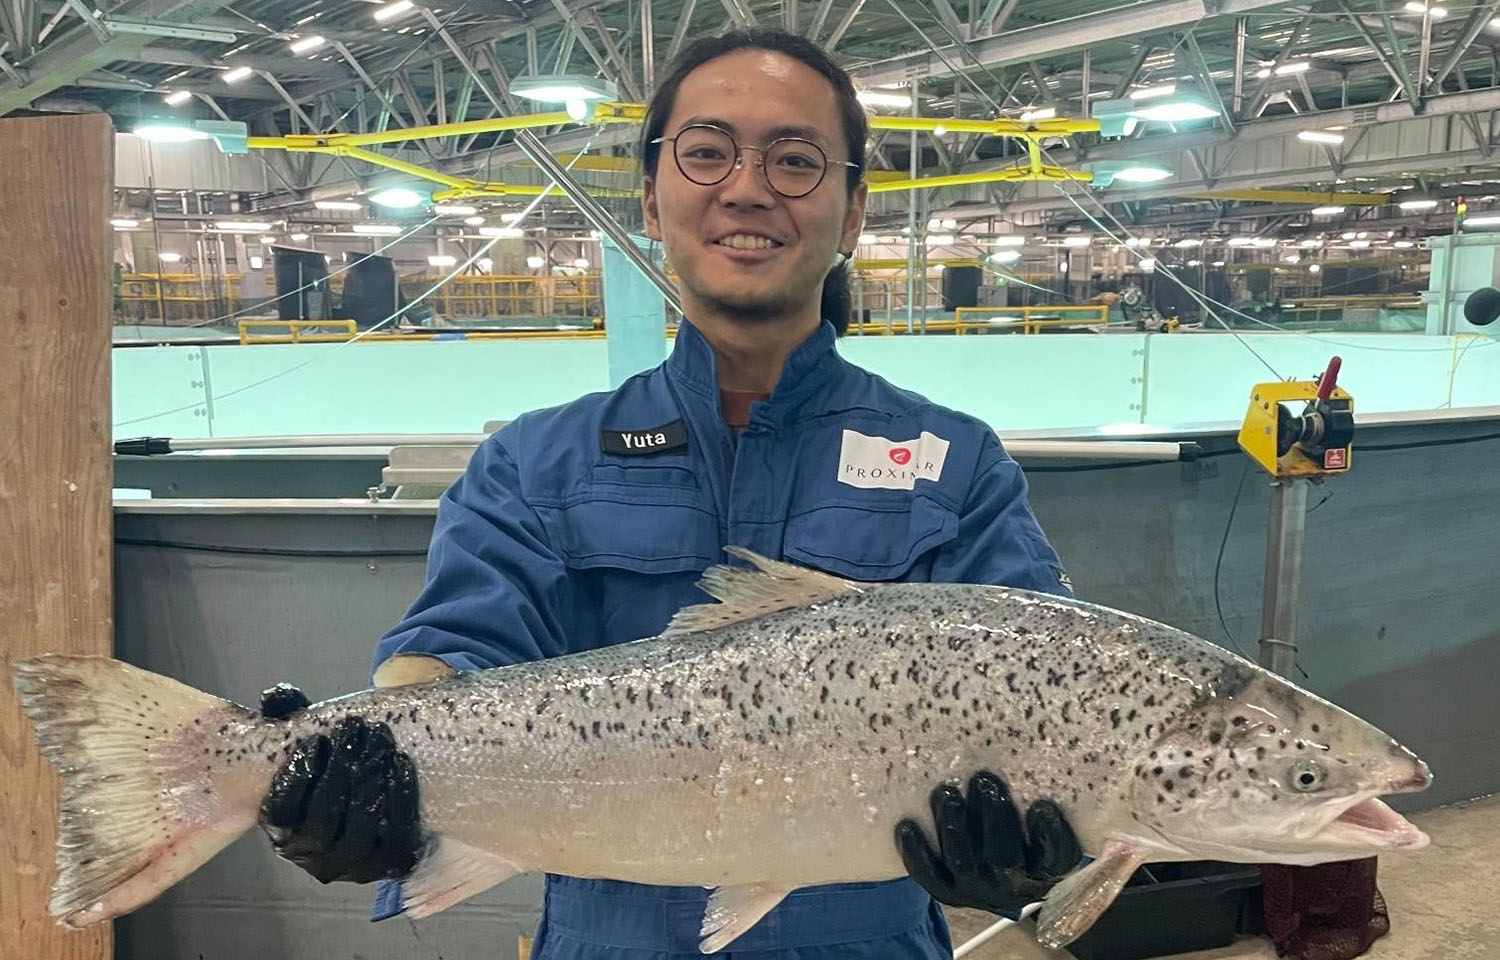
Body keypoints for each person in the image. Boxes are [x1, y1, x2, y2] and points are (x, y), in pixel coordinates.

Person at [257, 27, 1081, 959]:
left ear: (854, 214)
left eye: (796, 160)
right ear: (651, 198)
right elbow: (453, 655)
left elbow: (1045, 683)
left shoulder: (955, 464)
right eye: (706, 152)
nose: (747, 186)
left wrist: (1035, 843)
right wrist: (361, 776)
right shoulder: (535, 463)